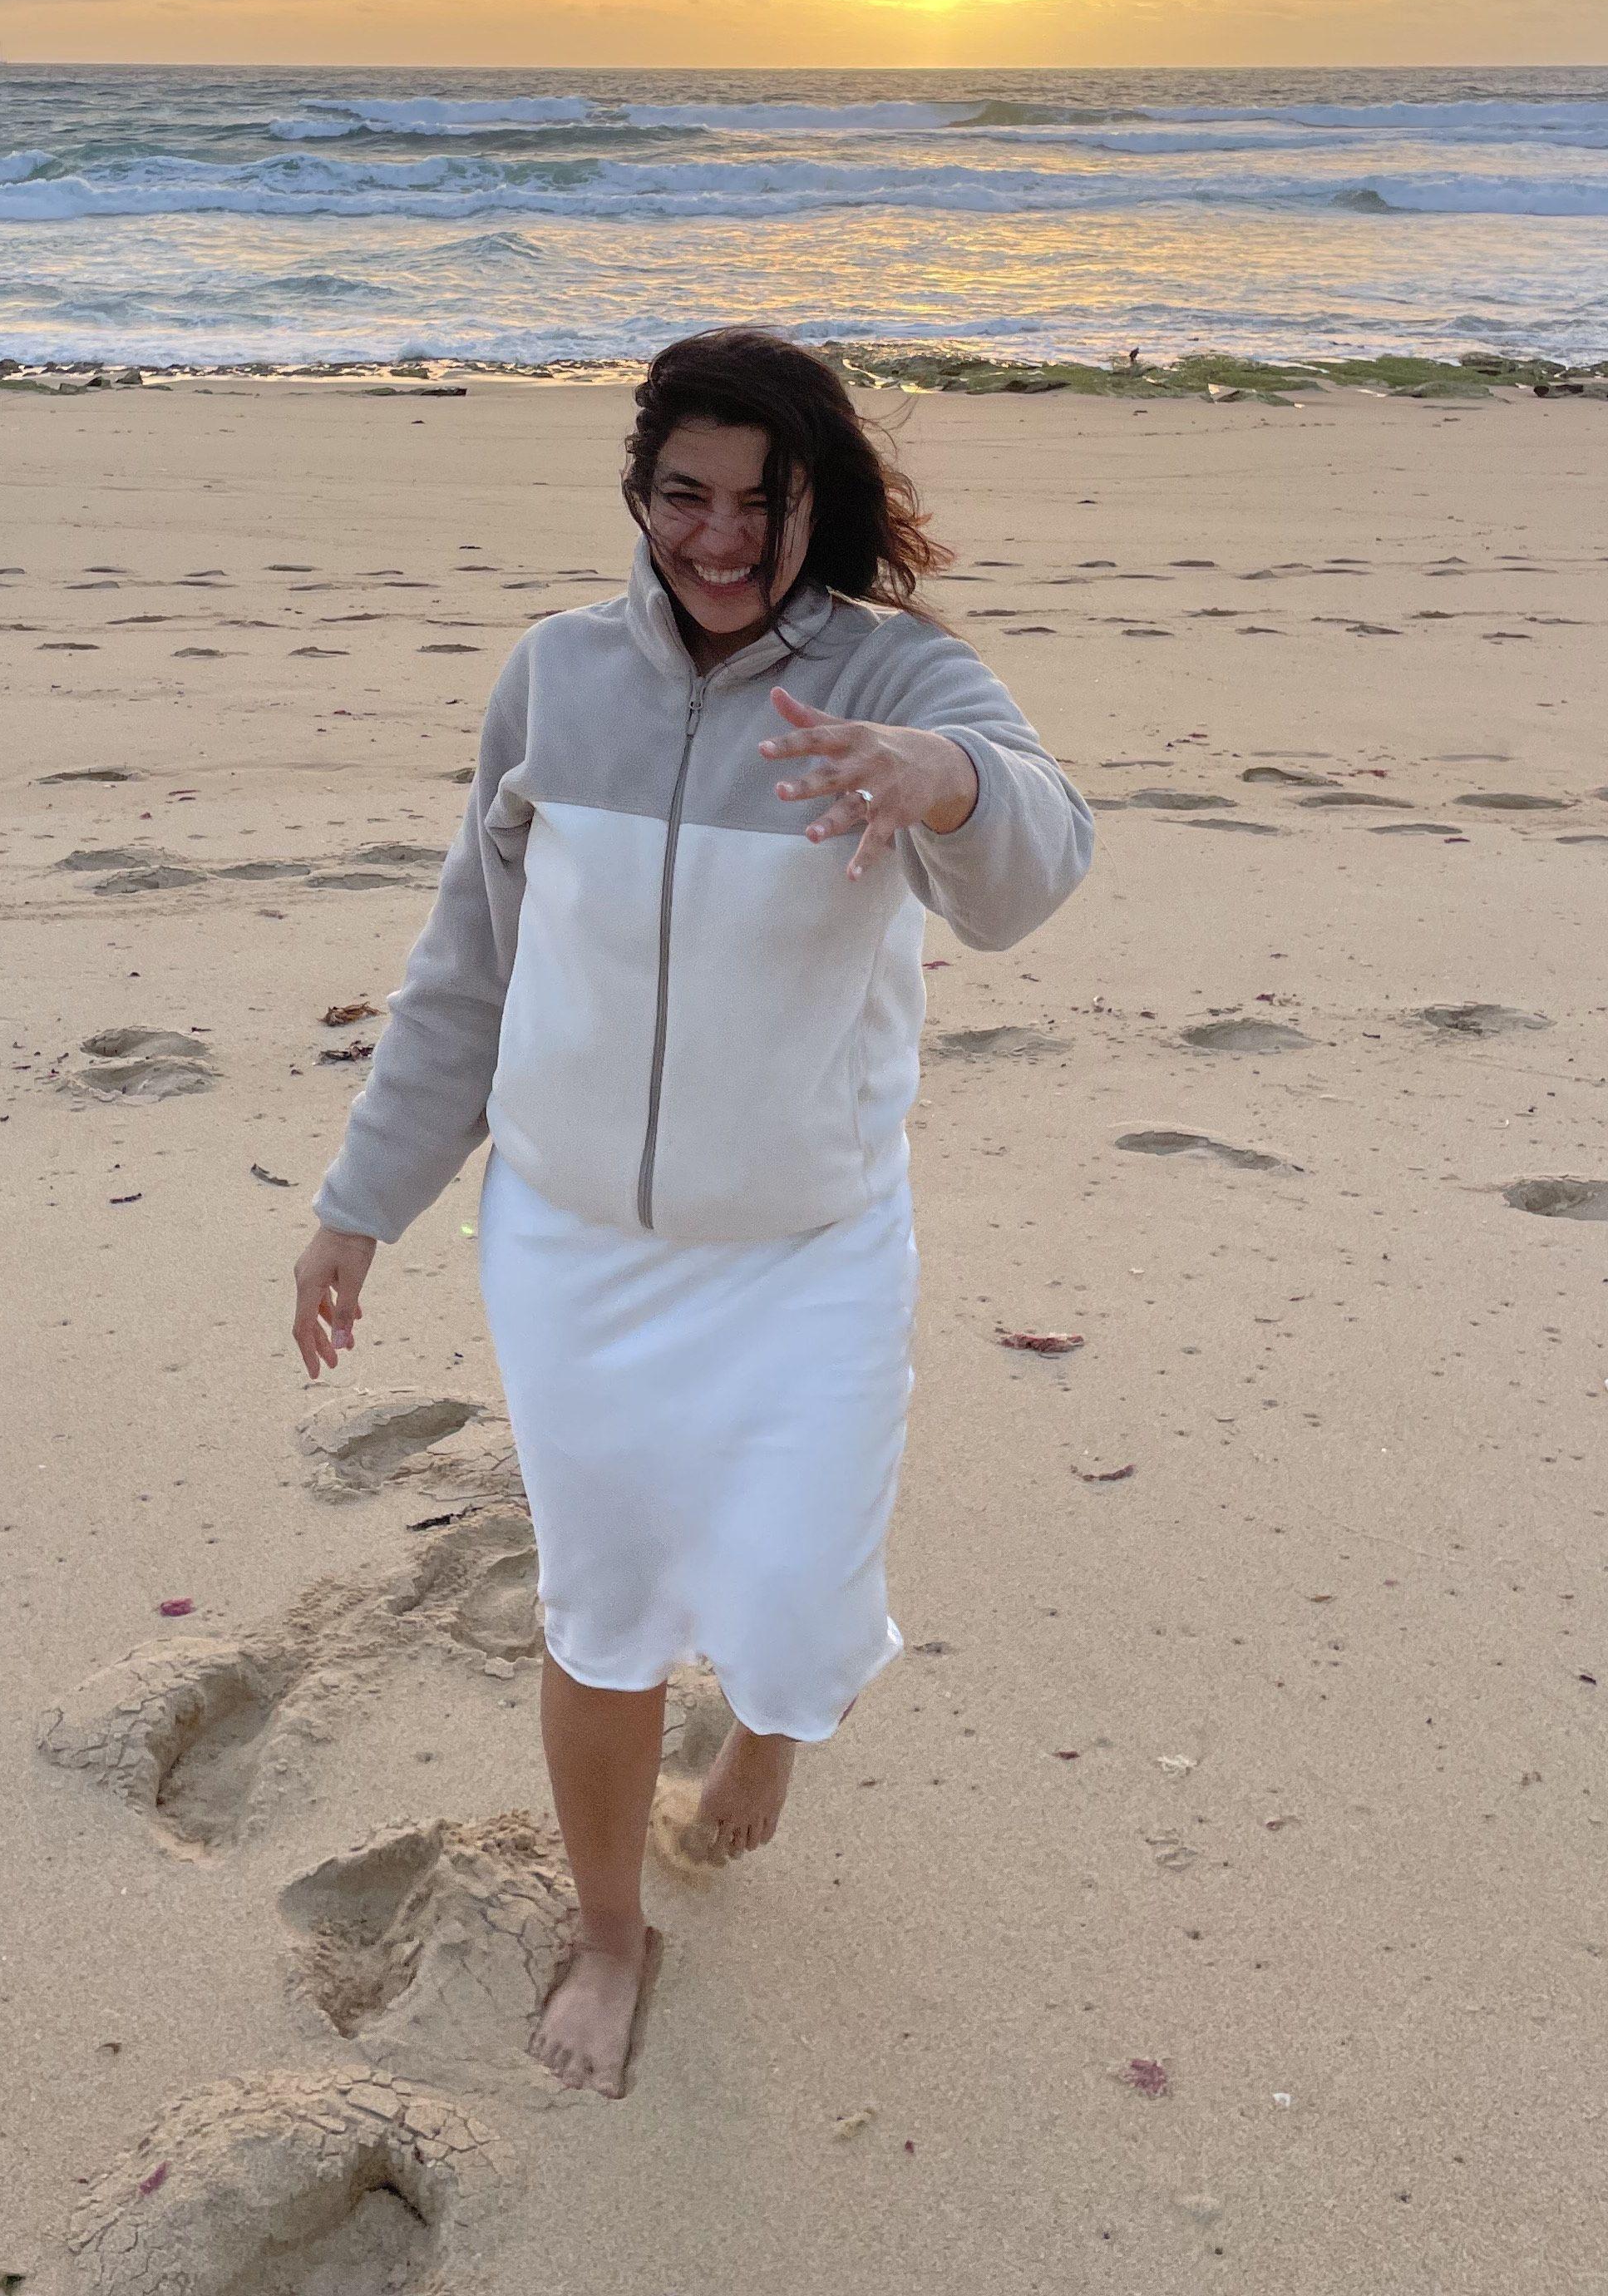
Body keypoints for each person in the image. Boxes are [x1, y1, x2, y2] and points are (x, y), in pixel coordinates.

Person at [285, 327, 1094, 2098]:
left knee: (798, 1620)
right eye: (685, 496)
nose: (720, 538)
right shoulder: (555, 681)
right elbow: (465, 973)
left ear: (821, 499)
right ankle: (604, 1932)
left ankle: (775, 1737)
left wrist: (937, 780)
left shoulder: (903, 679)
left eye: (762, 501)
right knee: (607, 1611)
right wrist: (363, 1204)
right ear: (640, 496)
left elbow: (1040, 862)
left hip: (810, 1252)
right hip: (577, 1250)